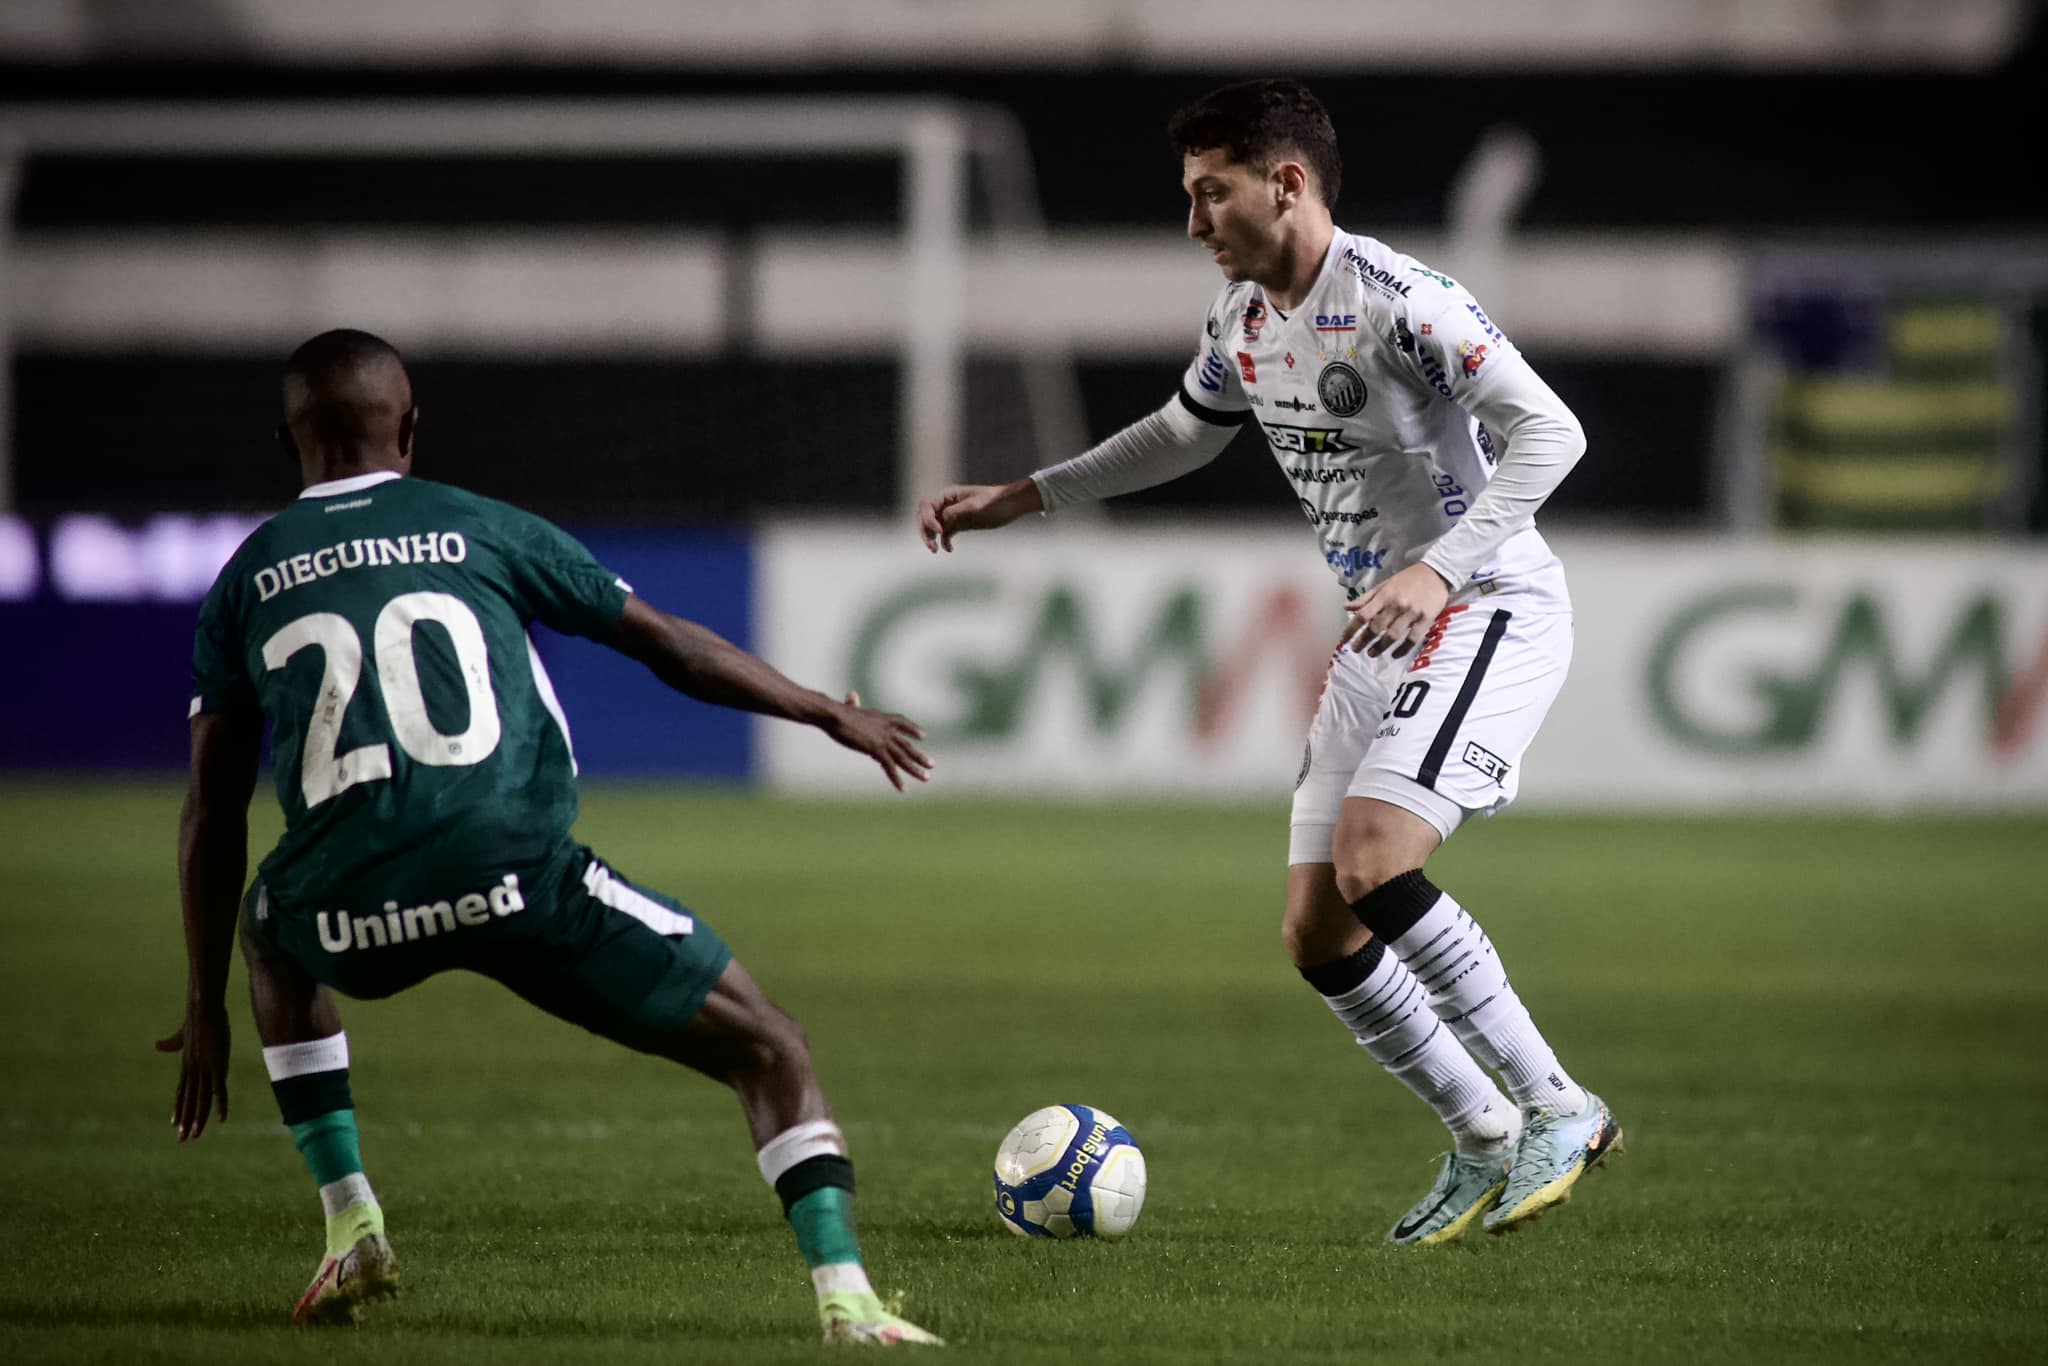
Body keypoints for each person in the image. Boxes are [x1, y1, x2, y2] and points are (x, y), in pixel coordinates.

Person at [917, 80, 1620, 1244]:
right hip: (1378, 628)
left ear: (1283, 183)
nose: (1194, 222)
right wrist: (1026, 496)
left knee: (1375, 856)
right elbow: (1180, 432)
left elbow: (1553, 430)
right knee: (1317, 930)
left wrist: (1439, 568)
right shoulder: (1242, 318)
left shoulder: (1402, 301)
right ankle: (1482, 1136)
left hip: (1484, 602)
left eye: (1210, 194)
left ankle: (1559, 1105)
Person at [157, 328, 943, 1344]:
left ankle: (350, 1216)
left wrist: (202, 1002)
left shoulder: (245, 578)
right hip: (514, 878)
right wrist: (821, 710)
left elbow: (211, 809)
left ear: (287, 437)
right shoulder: (482, 526)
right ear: (411, 425)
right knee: (768, 1045)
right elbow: (668, 645)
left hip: (347, 911)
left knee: (270, 916)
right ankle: (848, 1300)